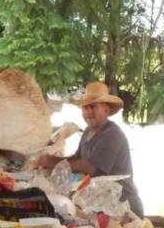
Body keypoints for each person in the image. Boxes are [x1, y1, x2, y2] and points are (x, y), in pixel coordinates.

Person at [37, 81, 144, 217]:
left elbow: (88, 167)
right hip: (105, 203)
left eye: (93, 107)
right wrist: (51, 161)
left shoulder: (111, 134)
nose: (88, 112)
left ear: (106, 110)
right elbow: (76, 158)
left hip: (124, 205)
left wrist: (51, 161)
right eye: (85, 108)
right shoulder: (88, 131)